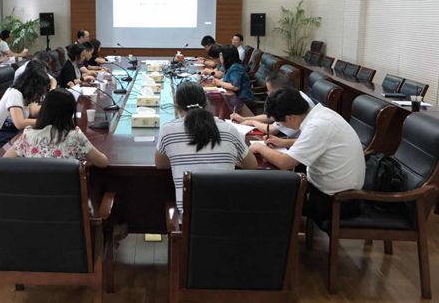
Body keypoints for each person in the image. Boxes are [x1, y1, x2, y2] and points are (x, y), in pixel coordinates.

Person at [250, 88, 365, 221]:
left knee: (273, 196)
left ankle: (285, 232)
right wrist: (284, 142)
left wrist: (259, 147)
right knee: (280, 187)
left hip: (337, 201)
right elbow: (317, 141)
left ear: (290, 118)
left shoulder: (317, 126)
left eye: (280, 122)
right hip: (332, 191)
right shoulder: (323, 114)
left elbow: (285, 163)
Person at [155, 82, 257, 213]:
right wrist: (231, 158)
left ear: (177, 106)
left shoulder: (168, 130)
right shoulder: (229, 129)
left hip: (189, 220)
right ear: (206, 103)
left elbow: (161, 165)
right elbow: (252, 165)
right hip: (228, 216)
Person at [4, 88, 108, 167]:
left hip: (33, 189)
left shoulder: (28, 135)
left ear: (44, 110)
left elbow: (4, 161)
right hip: (65, 190)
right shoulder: (75, 136)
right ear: (69, 113)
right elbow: (103, 162)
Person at [230, 70, 314, 139]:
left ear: (278, 91)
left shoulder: (291, 102)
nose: (267, 94)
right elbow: (270, 117)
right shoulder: (293, 94)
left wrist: (252, 122)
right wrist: (244, 119)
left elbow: (272, 130)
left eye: (269, 91)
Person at [0, 60, 50, 145]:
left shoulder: (26, 93)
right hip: (4, 139)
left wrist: (51, 109)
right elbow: (20, 123)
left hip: (16, 134)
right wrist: (46, 121)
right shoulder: (14, 93)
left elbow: (33, 112)